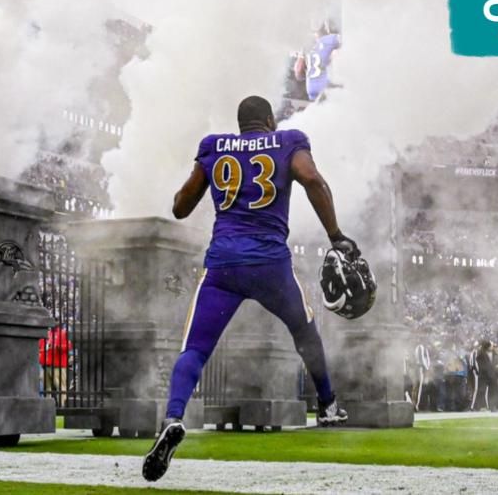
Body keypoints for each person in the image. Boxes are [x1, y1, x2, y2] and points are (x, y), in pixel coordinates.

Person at [143, 96, 357, 481]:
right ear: (270, 121)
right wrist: (336, 235)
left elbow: (180, 207)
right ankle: (327, 403)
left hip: (223, 265)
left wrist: (202, 177)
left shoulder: (215, 146)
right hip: (270, 263)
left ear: (240, 124)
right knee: (305, 329)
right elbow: (312, 179)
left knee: (194, 349)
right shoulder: (288, 140)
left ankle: (173, 418)